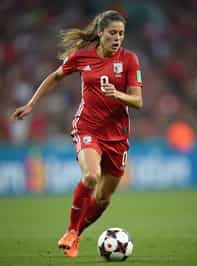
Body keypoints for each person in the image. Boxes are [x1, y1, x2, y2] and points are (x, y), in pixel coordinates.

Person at [11, 10, 143, 258]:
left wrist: (117, 95)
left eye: (121, 34)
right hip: (87, 127)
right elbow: (56, 76)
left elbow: (138, 101)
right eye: (113, 33)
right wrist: (31, 104)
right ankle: (71, 230)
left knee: (103, 198)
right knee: (91, 177)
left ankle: (77, 235)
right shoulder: (82, 57)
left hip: (118, 136)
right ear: (100, 33)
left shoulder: (129, 60)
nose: (117, 38)